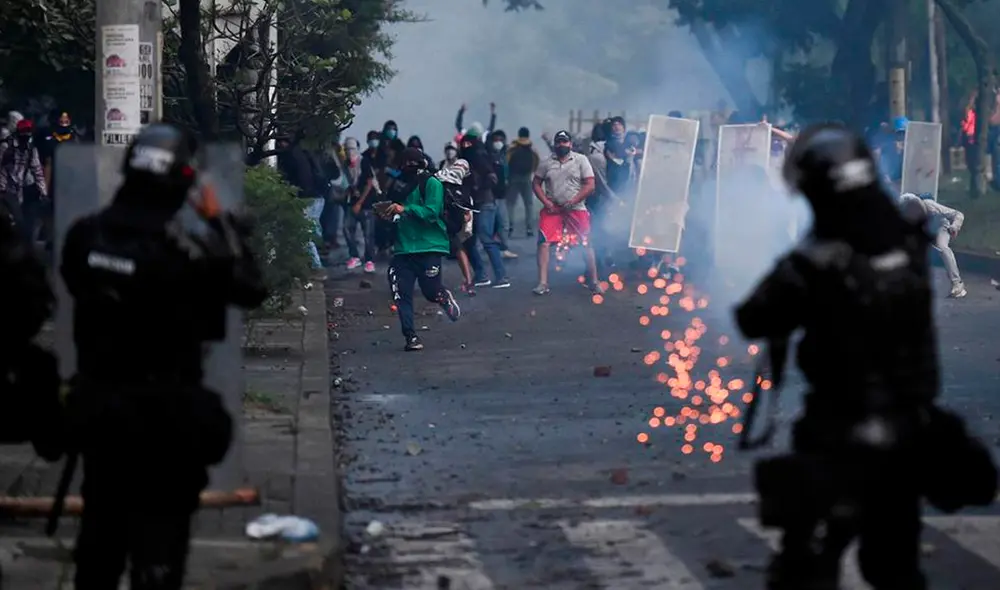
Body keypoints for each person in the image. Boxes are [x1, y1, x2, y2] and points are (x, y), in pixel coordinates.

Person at [734, 124, 943, 590]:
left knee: (805, 565)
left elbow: (753, 317)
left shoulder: (818, 259)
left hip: (839, 427)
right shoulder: (907, 241)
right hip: (910, 425)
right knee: (896, 568)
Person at [59, 123, 267, 588]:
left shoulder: (86, 237)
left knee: (99, 543)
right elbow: (250, 288)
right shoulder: (186, 253)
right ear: (182, 183)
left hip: (102, 412)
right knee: (159, 554)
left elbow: (76, 285)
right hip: (165, 419)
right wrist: (220, 224)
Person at [380, 148, 461, 351]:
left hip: (429, 246)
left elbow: (432, 212)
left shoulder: (431, 183)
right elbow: (394, 211)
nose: (408, 166)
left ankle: (443, 296)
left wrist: (406, 209)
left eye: (411, 162)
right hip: (403, 249)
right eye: (405, 162)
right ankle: (411, 336)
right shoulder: (397, 185)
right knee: (401, 294)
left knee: (430, 291)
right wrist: (386, 214)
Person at [532, 130, 601, 295]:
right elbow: (536, 183)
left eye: (564, 142)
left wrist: (574, 200)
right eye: (559, 142)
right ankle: (542, 283)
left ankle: (594, 281)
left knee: (586, 243)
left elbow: (590, 185)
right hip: (553, 209)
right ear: (555, 144)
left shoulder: (581, 160)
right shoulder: (546, 162)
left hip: (576, 208)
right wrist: (546, 202)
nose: (561, 145)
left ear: (570, 144)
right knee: (543, 243)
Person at [461, 124, 510, 288]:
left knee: (486, 239)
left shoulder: (480, 157)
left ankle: (501, 276)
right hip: (473, 205)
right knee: (468, 241)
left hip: (485, 203)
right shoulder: (469, 158)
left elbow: (492, 178)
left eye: (468, 142)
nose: (466, 145)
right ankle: (481, 275)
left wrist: (478, 187)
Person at [900, 193, 967, 298]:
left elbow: (958, 214)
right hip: (925, 232)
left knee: (942, 248)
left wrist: (955, 226)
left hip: (941, 227)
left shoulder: (930, 205)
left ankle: (957, 283)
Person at [0, 119, 48, 244]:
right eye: (24, 132)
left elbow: (37, 171)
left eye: (29, 132)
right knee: (16, 219)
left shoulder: (31, 150)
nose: (26, 135)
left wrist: (43, 192)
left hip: (20, 189)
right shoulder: (6, 147)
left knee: (23, 221)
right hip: (6, 188)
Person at [487, 129, 517, 259]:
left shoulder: (505, 156)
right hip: (490, 195)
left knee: (503, 224)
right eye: (496, 140)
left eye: (501, 140)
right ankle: (496, 249)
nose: (498, 142)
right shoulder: (488, 157)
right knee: (494, 224)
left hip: (502, 195)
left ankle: (502, 248)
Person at [505, 126, 540, 237]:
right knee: (528, 204)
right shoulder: (531, 148)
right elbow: (536, 161)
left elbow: (506, 161)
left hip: (513, 178)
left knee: (510, 203)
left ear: (519, 135)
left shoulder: (513, 147)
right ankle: (529, 228)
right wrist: (531, 172)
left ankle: (510, 226)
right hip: (526, 178)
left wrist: (507, 176)